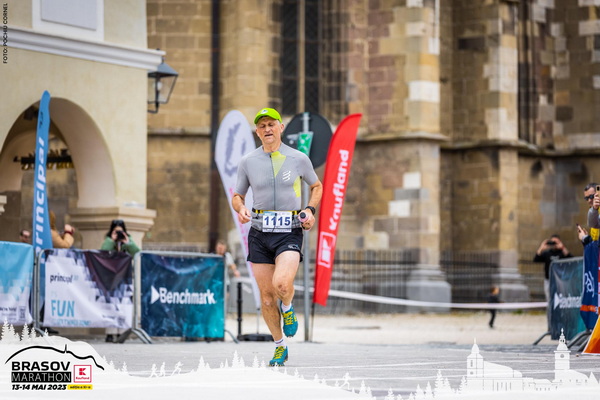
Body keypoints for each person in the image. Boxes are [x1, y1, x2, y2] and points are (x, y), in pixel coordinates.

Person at [232, 107, 322, 366]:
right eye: (262, 126)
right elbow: (237, 195)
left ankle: (288, 306)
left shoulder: (298, 158)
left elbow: (316, 186)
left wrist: (310, 210)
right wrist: (241, 208)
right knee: (267, 297)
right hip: (259, 232)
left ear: (281, 127)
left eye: (272, 124)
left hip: (289, 230)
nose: (267, 129)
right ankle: (280, 346)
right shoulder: (248, 161)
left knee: (281, 284)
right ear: (257, 132)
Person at [100, 219, 140, 342]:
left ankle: (121, 333)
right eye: (115, 231)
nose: (118, 234)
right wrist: (111, 240)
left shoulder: (128, 240)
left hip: (125, 277)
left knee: (123, 305)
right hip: (111, 277)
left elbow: (137, 253)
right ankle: (110, 333)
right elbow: (103, 252)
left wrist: (127, 243)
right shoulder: (108, 241)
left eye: (120, 231)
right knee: (110, 305)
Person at [533, 234, 572, 302]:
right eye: (553, 242)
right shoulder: (547, 253)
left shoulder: (562, 253)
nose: (554, 244)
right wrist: (541, 247)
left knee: (560, 297)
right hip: (548, 279)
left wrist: (562, 247)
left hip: (560, 279)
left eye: (556, 242)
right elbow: (536, 259)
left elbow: (571, 259)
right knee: (549, 298)